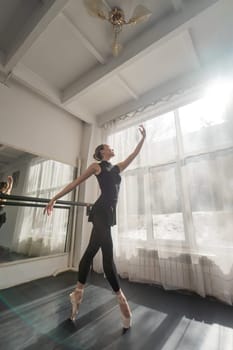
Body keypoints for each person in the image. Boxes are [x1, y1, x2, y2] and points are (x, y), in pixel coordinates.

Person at [44, 125, 146, 331]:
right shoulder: (96, 166)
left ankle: (78, 293)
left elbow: (134, 154)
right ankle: (121, 299)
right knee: (107, 256)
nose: (112, 148)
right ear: (101, 152)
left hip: (106, 214)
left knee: (90, 252)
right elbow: (76, 182)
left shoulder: (117, 168)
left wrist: (143, 138)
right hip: (99, 213)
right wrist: (54, 197)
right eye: (108, 147)